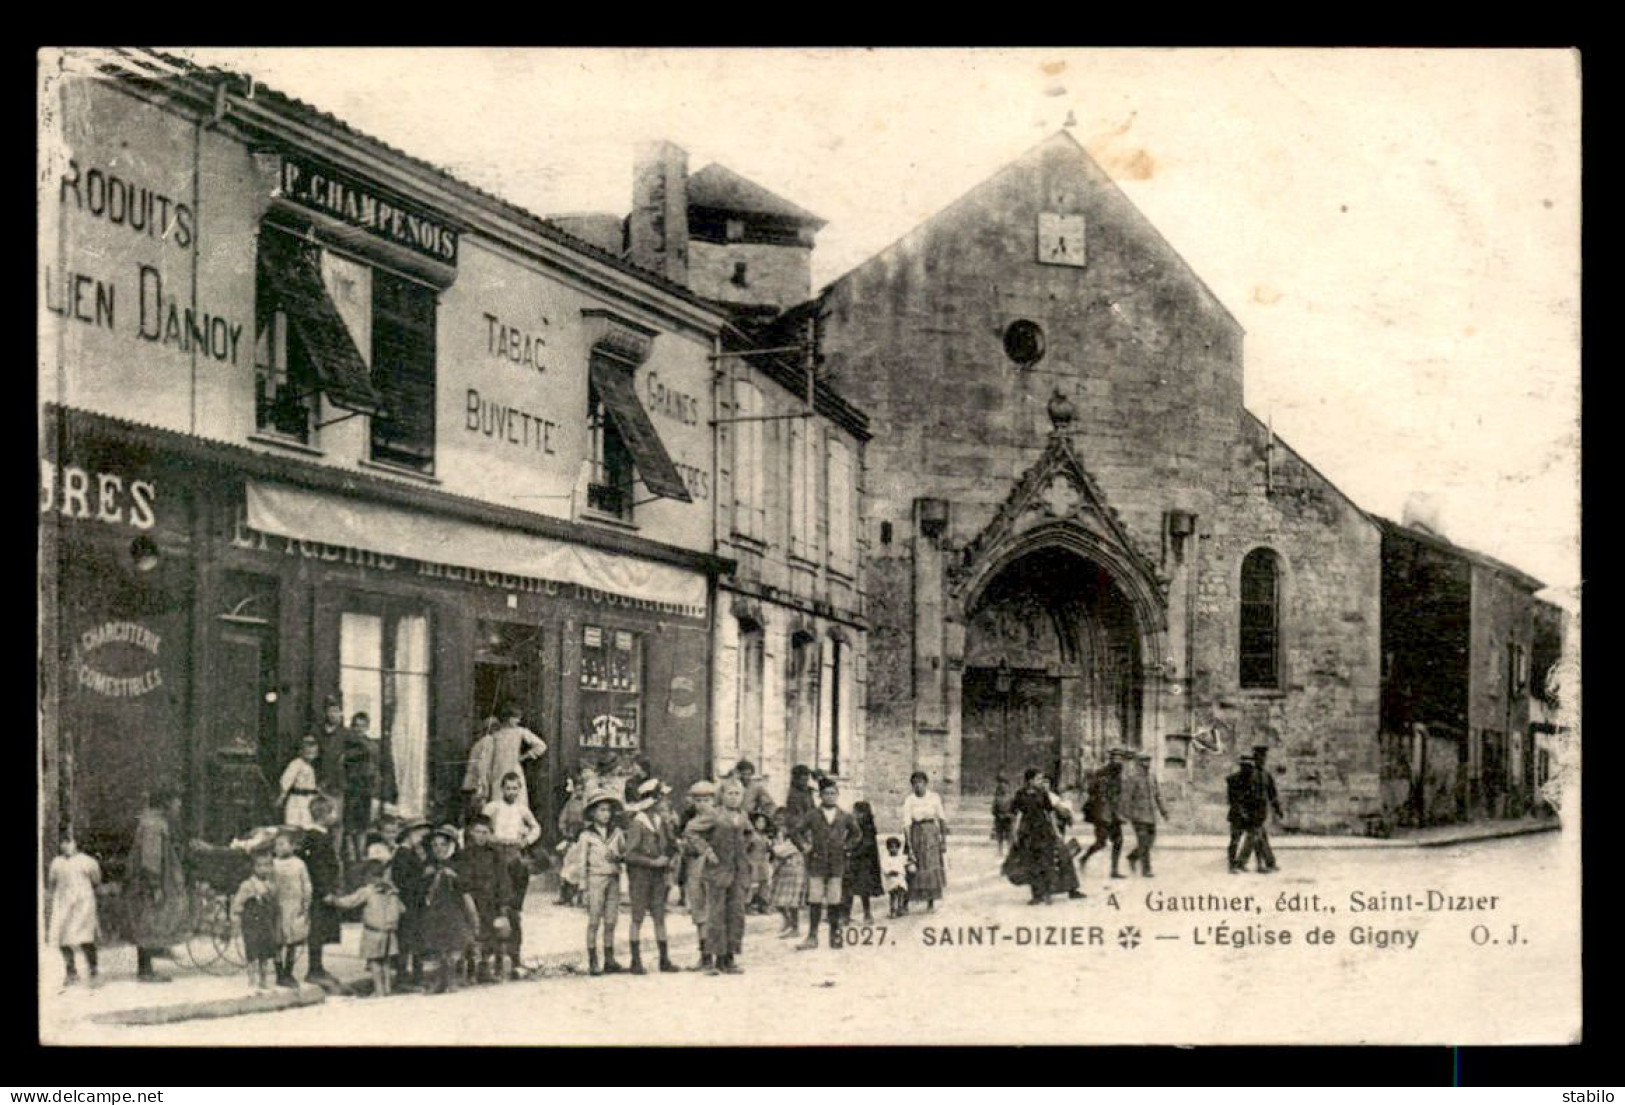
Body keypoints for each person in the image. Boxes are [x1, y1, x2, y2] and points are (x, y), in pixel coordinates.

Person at [690, 777, 753, 974]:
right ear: (722, 796)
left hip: (738, 872)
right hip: (717, 872)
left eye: (737, 794)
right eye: (730, 794)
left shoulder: (743, 816)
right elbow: (691, 831)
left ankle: (730, 958)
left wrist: (746, 850)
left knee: (736, 914)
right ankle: (715, 959)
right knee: (716, 915)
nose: (734, 798)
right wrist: (707, 851)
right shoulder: (714, 815)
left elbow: (750, 834)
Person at [622, 777, 680, 975]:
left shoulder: (660, 821)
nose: (665, 802)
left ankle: (664, 959)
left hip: (658, 876)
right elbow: (629, 854)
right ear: (653, 800)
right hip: (640, 876)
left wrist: (669, 856)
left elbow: (670, 844)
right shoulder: (638, 823)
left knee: (659, 916)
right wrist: (652, 862)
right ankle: (635, 960)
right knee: (637, 916)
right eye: (662, 798)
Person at [127, 788, 186, 982]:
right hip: (147, 883)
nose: (179, 806)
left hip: (144, 882)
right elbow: (151, 859)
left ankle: (147, 966)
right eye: (177, 802)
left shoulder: (151, 821)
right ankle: (145, 971)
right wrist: (155, 886)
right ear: (166, 803)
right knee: (149, 922)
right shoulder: (154, 824)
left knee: (148, 922)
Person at [796, 776, 858, 951]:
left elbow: (856, 834)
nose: (830, 796)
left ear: (837, 795)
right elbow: (796, 831)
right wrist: (805, 847)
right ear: (820, 796)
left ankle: (835, 935)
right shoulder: (812, 815)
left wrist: (846, 847)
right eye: (826, 794)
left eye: (833, 793)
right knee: (815, 898)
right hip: (817, 861)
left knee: (834, 899)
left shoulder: (845, 816)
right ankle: (812, 936)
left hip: (837, 863)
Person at [326, 860, 404, 998]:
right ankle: (387, 988)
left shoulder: (367, 891)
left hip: (372, 931)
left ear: (368, 876)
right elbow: (402, 909)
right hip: (389, 932)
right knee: (386, 961)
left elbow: (349, 902)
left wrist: (333, 900)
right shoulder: (392, 891)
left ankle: (379, 990)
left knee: (374, 961)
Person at [421, 825, 477, 994]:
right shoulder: (429, 866)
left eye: (442, 845)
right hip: (434, 911)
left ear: (449, 846)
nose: (439, 849)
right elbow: (422, 890)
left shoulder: (458, 865)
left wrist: (455, 877)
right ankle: (439, 980)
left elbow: (467, 887)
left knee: (454, 946)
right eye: (435, 846)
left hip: (453, 910)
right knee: (437, 947)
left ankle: (452, 979)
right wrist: (426, 877)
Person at [459, 814, 515, 983]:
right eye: (478, 832)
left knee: (491, 934)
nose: (481, 836)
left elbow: (503, 879)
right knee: (472, 934)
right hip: (471, 900)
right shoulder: (464, 855)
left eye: (485, 832)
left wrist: (503, 903)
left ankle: (486, 968)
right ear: (471, 832)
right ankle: (469, 970)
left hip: (490, 900)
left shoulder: (494, 855)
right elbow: (462, 880)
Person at [298, 795, 344, 990]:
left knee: (322, 929)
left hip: (322, 888)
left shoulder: (318, 835)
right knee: (317, 929)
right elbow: (318, 867)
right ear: (324, 815)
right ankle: (314, 969)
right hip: (320, 892)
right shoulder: (318, 838)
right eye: (332, 811)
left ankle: (318, 967)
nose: (335, 815)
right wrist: (325, 890)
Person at [580, 786, 626, 976]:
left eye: (608, 810)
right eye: (601, 810)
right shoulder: (586, 835)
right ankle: (593, 960)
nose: (606, 814)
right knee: (594, 920)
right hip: (595, 878)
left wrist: (618, 857)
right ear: (592, 813)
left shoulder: (616, 833)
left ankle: (609, 958)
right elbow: (581, 862)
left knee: (610, 920)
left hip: (613, 878)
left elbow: (624, 853)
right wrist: (583, 887)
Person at [47, 828, 102, 988]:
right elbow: (52, 881)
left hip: (83, 904)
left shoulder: (87, 861)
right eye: (63, 843)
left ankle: (93, 969)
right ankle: (71, 971)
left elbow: (96, 880)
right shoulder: (57, 863)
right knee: (64, 938)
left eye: (69, 842)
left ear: (76, 843)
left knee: (85, 937)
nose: (66, 846)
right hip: (64, 903)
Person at [341, 712, 398, 864]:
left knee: (363, 823)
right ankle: (351, 856)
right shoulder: (346, 744)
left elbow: (376, 765)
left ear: (367, 727)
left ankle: (361, 854)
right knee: (349, 824)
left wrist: (376, 783)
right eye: (356, 725)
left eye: (362, 726)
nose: (359, 729)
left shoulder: (372, 745)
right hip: (351, 788)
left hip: (365, 788)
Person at [468, 702, 548, 811]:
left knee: (517, 802)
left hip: (513, 770)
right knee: (498, 803)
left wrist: (524, 757)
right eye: (516, 718)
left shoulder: (520, 732)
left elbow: (541, 746)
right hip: (497, 774)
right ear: (508, 718)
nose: (518, 721)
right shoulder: (495, 736)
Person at [1005, 768, 1068, 905]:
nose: (1041, 781)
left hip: (1044, 830)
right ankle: (1036, 895)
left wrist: (1056, 832)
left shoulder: (1043, 793)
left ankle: (1048, 893)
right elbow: (1015, 815)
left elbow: (1050, 813)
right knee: (1032, 864)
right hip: (1028, 832)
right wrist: (1014, 833)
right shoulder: (1020, 794)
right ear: (1030, 780)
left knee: (1047, 862)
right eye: (1038, 779)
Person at [679, 780, 720, 971]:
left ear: (713, 800)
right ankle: (705, 955)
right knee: (699, 911)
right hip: (695, 867)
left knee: (711, 911)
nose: (702, 804)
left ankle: (714, 955)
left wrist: (706, 849)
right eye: (698, 800)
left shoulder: (715, 817)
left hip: (711, 868)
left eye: (706, 799)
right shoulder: (692, 819)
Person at [390, 819, 432, 991]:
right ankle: (404, 978)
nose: (422, 838)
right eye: (420, 835)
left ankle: (416, 976)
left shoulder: (413, 853)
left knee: (416, 939)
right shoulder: (403, 854)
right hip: (408, 902)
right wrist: (423, 876)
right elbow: (402, 881)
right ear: (410, 834)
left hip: (416, 902)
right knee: (406, 940)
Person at [231, 849, 279, 991]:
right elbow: (238, 902)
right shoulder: (248, 885)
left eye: (267, 865)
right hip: (251, 922)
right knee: (252, 950)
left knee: (265, 950)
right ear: (253, 867)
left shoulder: (271, 884)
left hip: (265, 922)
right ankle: (252, 980)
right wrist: (236, 917)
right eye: (259, 866)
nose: (263, 869)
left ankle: (263, 980)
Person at [270, 828, 312, 988]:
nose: (279, 848)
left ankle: (289, 972)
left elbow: (306, 884)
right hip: (279, 906)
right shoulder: (273, 864)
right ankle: (279, 972)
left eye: (282, 844)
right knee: (278, 940)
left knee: (292, 941)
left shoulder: (299, 864)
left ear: (293, 846)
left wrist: (306, 902)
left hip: (294, 906)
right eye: (276, 845)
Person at [901, 771, 949, 911]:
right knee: (913, 865)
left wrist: (943, 841)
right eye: (914, 783)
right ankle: (907, 901)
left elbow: (941, 819)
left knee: (930, 865)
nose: (917, 786)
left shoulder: (934, 798)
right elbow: (906, 822)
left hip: (931, 834)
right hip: (916, 832)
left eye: (920, 782)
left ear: (926, 783)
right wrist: (908, 843)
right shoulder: (910, 800)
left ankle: (930, 900)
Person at [1080, 749, 1128, 880]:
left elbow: (1118, 795)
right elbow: (1093, 792)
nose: (1118, 762)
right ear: (1111, 760)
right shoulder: (1102, 774)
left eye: (1120, 759)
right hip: (1102, 814)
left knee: (1118, 841)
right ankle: (1084, 858)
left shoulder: (1119, 774)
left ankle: (1114, 870)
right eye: (1116, 759)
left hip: (1114, 814)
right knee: (1101, 843)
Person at [1121, 752, 1170, 877]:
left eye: (1148, 761)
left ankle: (1132, 857)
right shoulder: (1133, 778)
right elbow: (1127, 797)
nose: (1146, 764)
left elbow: (1158, 795)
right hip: (1138, 815)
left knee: (1150, 841)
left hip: (1150, 815)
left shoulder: (1152, 777)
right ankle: (1146, 869)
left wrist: (1164, 811)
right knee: (1143, 842)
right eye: (1143, 761)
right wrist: (1126, 814)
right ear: (1138, 763)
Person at [842, 801, 884, 924]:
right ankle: (846, 915)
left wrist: (851, 852)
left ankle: (867, 914)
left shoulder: (869, 827)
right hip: (853, 860)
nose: (855, 814)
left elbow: (867, 845)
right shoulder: (853, 826)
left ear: (864, 813)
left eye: (857, 812)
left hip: (865, 863)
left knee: (863, 889)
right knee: (848, 888)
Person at [768, 811, 808, 937]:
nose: (778, 822)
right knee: (777, 900)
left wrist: (774, 849)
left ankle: (795, 928)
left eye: (781, 819)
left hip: (794, 869)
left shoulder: (795, 835)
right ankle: (788, 921)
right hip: (782, 869)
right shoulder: (778, 835)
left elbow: (780, 851)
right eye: (776, 819)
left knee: (792, 901)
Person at [310, 694, 350, 817]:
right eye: (330, 711)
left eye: (336, 711)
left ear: (341, 713)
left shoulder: (346, 734)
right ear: (325, 713)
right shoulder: (316, 732)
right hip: (318, 780)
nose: (333, 714)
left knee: (335, 817)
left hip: (337, 783)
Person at [1250, 744, 1284, 873]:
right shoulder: (1250, 775)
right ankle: (1261, 865)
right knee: (1258, 837)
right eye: (1259, 758)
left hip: (1262, 811)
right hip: (1252, 810)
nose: (1262, 760)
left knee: (1261, 837)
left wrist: (1278, 809)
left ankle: (1269, 863)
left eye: (1263, 758)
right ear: (1255, 758)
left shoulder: (1266, 775)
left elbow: (1272, 794)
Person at [1226, 755, 1263, 874]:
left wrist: (1257, 813)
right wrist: (1242, 812)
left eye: (1250, 767)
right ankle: (1232, 866)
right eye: (1246, 766)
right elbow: (1232, 800)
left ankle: (1258, 865)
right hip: (1237, 814)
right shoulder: (1232, 780)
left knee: (1256, 839)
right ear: (1241, 767)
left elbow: (1258, 798)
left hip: (1252, 814)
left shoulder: (1255, 780)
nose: (1249, 769)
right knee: (1235, 840)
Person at [461, 716, 500, 822]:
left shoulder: (480, 741)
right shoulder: (488, 741)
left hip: (470, 783)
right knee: (478, 814)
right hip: (477, 783)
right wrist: (484, 784)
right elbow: (483, 764)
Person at [278, 735, 323, 829]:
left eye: (313, 752)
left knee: (308, 825)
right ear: (300, 751)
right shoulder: (296, 763)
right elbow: (286, 780)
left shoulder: (311, 767)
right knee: (294, 824)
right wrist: (282, 794)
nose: (310, 754)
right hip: (297, 799)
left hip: (309, 800)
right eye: (307, 751)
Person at [746, 811, 775, 913]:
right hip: (753, 861)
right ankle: (748, 905)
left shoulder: (766, 836)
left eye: (763, 822)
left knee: (764, 884)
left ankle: (763, 905)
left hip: (763, 862)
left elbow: (770, 850)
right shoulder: (751, 835)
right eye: (759, 822)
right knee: (752, 885)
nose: (761, 824)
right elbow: (746, 848)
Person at [879, 835, 912, 918]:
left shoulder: (901, 857)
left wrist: (910, 862)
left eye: (895, 847)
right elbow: (884, 868)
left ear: (898, 848)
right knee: (893, 896)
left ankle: (900, 909)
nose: (893, 849)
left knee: (901, 894)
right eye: (891, 847)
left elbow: (907, 862)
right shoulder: (886, 858)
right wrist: (889, 872)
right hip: (891, 880)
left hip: (900, 880)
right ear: (888, 848)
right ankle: (893, 910)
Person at [783, 764, 816, 829]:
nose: (806, 783)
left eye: (807, 780)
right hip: (799, 827)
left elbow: (813, 808)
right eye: (803, 780)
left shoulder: (807, 792)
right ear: (796, 780)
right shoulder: (794, 795)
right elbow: (797, 816)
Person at [991, 775, 1015, 853]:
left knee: (1009, 835)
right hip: (999, 819)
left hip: (1008, 819)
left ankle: (1009, 849)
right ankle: (1000, 850)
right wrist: (998, 814)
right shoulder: (997, 798)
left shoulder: (1011, 798)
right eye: (1001, 786)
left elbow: (1015, 809)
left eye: (1005, 786)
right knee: (999, 835)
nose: (1003, 787)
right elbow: (993, 809)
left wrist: (1010, 815)